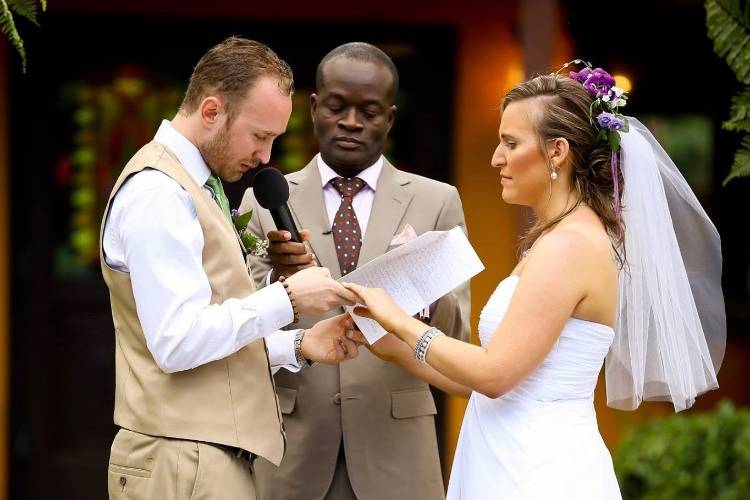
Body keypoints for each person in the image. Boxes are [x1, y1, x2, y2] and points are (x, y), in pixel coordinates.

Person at [343, 68, 725, 499]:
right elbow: (479, 379)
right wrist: (391, 347)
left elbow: (494, 376)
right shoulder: (556, 238)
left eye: (510, 143)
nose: (496, 159)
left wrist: (398, 320)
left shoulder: (569, 247)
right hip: (505, 455)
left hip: (537, 469)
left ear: (557, 152)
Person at [100, 37, 364, 500]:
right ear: (210, 111)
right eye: (259, 135)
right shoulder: (159, 194)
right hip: (178, 460)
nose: (265, 156)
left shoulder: (197, 187)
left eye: (274, 140)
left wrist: (298, 344)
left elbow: (212, 338)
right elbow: (178, 343)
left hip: (204, 459)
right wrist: (287, 299)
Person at [240, 42, 470, 499]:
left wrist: (420, 292)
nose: (350, 122)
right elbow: (234, 324)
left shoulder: (436, 201)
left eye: (368, 111)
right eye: (337, 106)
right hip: (292, 449)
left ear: (390, 118)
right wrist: (277, 283)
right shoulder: (264, 199)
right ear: (313, 107)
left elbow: (457, 333)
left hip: (397, 452)